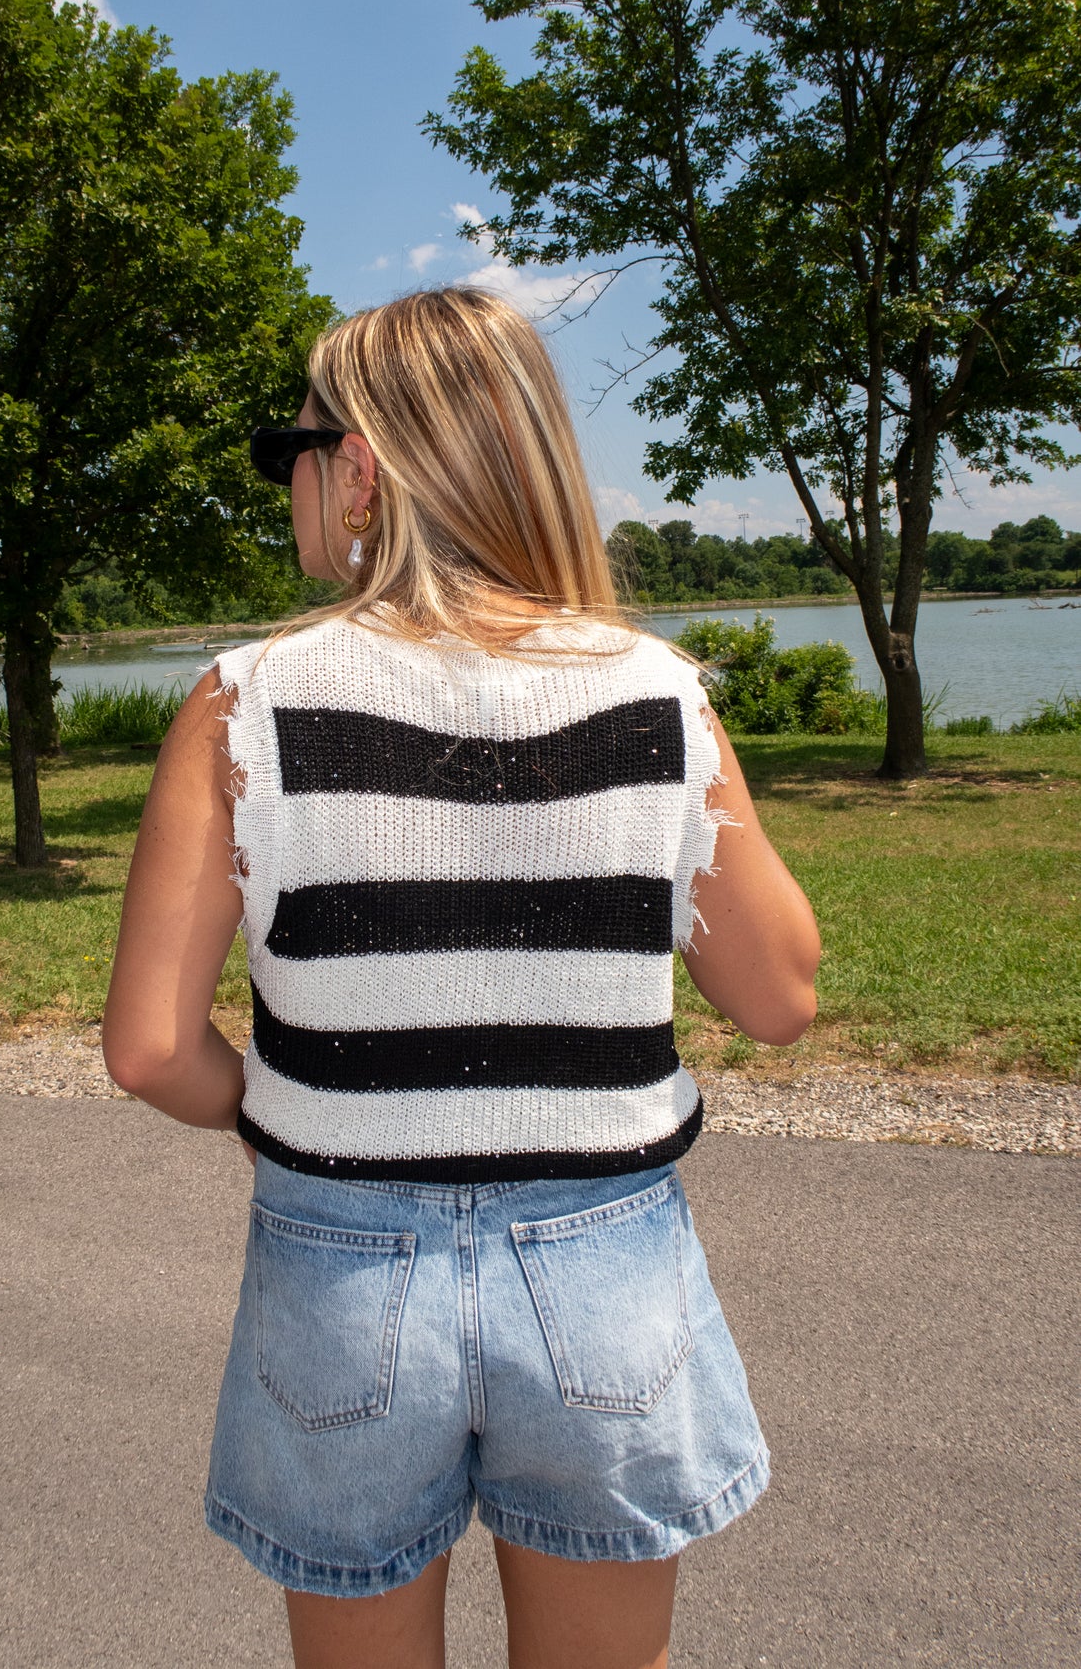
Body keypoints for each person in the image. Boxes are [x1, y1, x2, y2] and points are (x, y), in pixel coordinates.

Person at [103, 287, 821, 1669]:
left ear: (359, 469)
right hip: (608, 1271)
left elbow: (146, 1049)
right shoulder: (654, 692)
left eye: (288, 451)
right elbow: (780, 993)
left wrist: (286, 1105)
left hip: (338, 1274)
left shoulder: (243, 703)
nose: (286, 483)